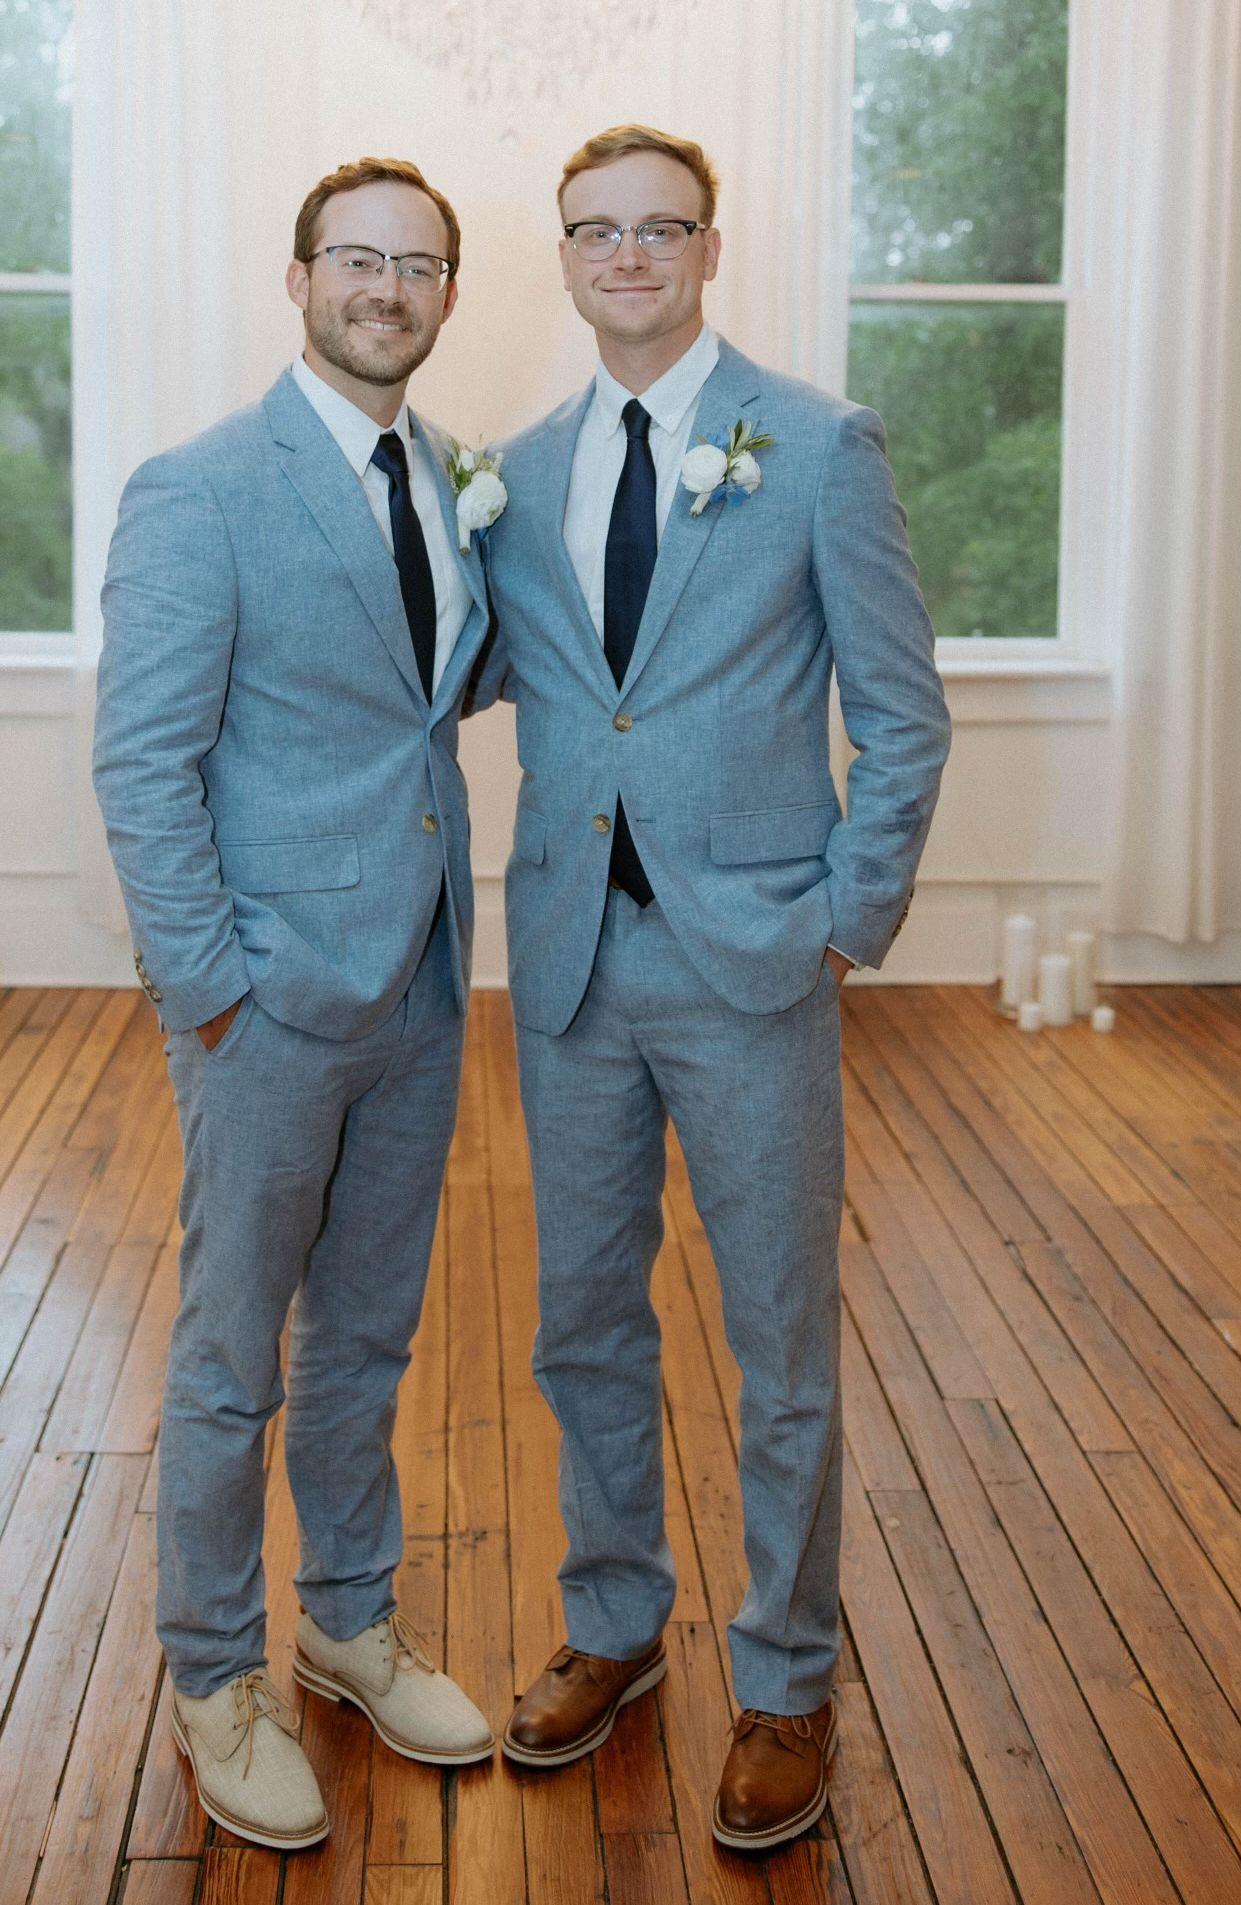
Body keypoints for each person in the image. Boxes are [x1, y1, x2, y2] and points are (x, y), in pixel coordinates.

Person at [475, 124, 951, 1851]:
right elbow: (467, 672)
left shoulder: (814, 445)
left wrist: (843, 915)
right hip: (570, 958)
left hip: (755, 954)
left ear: (708, 247)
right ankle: (612, 1622)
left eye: (658, 227)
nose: (627, 254)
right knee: (581, 1320)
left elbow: (901, 710)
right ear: (562, 256)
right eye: (595, 230)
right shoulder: (513, 474)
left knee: (778, 1337)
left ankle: (786, 1675)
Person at [92, 155, 498, 1852]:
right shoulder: (199, 489)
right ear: (299, 277)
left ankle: (344, 1617)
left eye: (418, 264)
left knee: (368, 1333)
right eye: (357, 258)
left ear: (448, 292)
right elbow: (142, 762)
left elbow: (438, 695)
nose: (385, 288)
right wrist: (210, 994)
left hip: (421, 977)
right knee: (229, 1353)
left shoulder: (451, 481)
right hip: (264, 1002)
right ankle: (212, 1674)